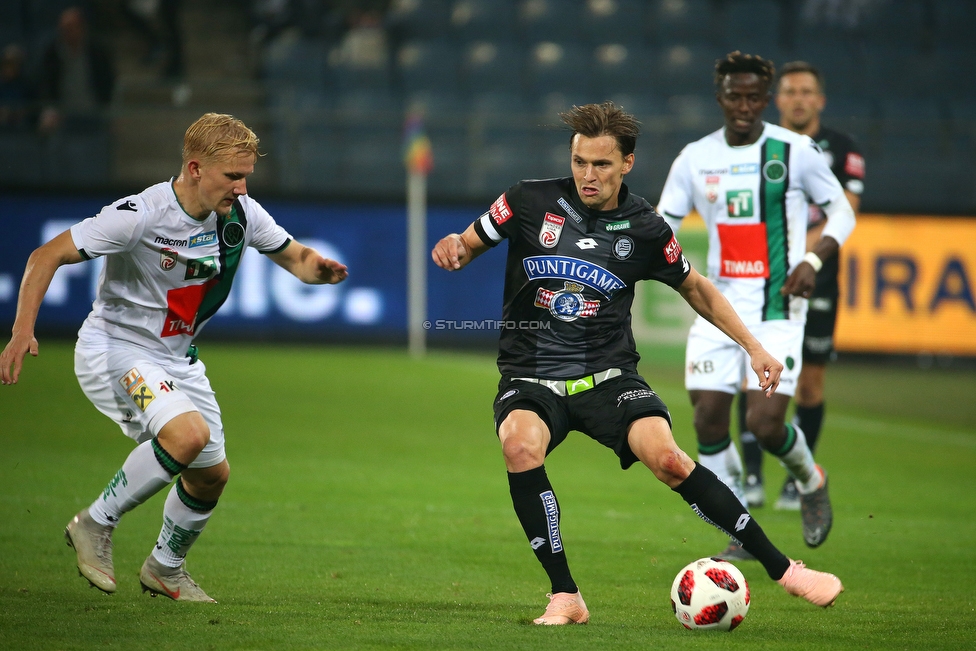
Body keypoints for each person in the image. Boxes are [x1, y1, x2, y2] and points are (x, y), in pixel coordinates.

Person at [431, 101, 843, 625]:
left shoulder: (645, 228)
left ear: (627, 163)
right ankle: (566, 596)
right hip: (531, 378)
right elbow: (465, 245)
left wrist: (754, 348)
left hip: (608, 379)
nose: (587, 174)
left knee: (669, 459)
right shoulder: (526, 201)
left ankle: (785, 570)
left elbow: (696, 288)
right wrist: (453, 249)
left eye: (601, 164)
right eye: (580, 161)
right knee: (519, 444)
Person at [0, 113, 348, 602]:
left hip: (177, 360)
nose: (242, 187)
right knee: (187, 437)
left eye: (246, 175)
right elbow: (45, 255)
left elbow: (295, 257)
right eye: (233, 176)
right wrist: (21, 332)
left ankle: (165, 566)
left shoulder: (242, 215)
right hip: (116, 351)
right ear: (195, 167)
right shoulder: (139, 214)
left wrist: (321, 270)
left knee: (211, 475)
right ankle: (94, 524)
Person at [657, 52, 856, 559]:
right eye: (734, 96)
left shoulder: (796, 151)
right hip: (717, 307)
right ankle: (740, 528)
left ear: (765, 100)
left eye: (753, 97)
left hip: (777, 308)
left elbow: (841, 213)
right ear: (720, 97)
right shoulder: (695, 158)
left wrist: (812, 257)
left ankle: (811, 480)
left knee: (764, 425)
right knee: (705, 421)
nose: (744, 106)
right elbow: (663, 226)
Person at [740, 60, 865, 511]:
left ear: (820, 100)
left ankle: (798, 479)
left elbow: (844, 211)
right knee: (751, 377)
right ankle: (751, 475)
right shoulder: (760, 145)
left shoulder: (843, 148)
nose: (798, 98)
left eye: (806, 91)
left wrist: (803, 256)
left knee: (810, 383)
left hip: (819, 280)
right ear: (779, 100)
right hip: (764, 280)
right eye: (790, 91)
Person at [37, 6, 115, 134]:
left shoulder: (97, 52)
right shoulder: (52, 54)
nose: (66, 33)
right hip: (63, 114)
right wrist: (51, 109)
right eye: (63, 29)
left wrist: (108, 111)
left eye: (70, 28)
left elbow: (108, 82)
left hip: (93, 112)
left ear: (81, 28)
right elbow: (45, 84)